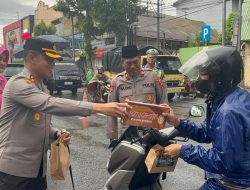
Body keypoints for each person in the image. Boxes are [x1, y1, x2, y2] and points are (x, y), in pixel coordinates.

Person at [0, 37, 130, 190]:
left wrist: (56, 133)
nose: (53, 65)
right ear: (31, 58)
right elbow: (50, 103)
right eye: (49, 60)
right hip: (14, 174)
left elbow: (39, 124)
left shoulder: (40, 87)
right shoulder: (18, 84)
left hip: (37, 171)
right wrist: (100, 108)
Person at [162, 46, 250, 189]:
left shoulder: (228, 111)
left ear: (219, 77)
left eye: (203, 74)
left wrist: (182, 150)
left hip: (231, 184)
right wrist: (177, 122)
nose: (198, 79)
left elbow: (224, 161)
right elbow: (208, 132)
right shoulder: (231, 95)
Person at [107, 45, 167, 142]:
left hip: (151, 134)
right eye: (128, 63)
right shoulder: (116, 81)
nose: (133, 66)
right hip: (127, 135)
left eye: (135, 62)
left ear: (140, 59)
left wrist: (164, 132)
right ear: (122, 63)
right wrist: (112, 137)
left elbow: (164, 105)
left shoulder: (153, 76)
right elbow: (111, 111)